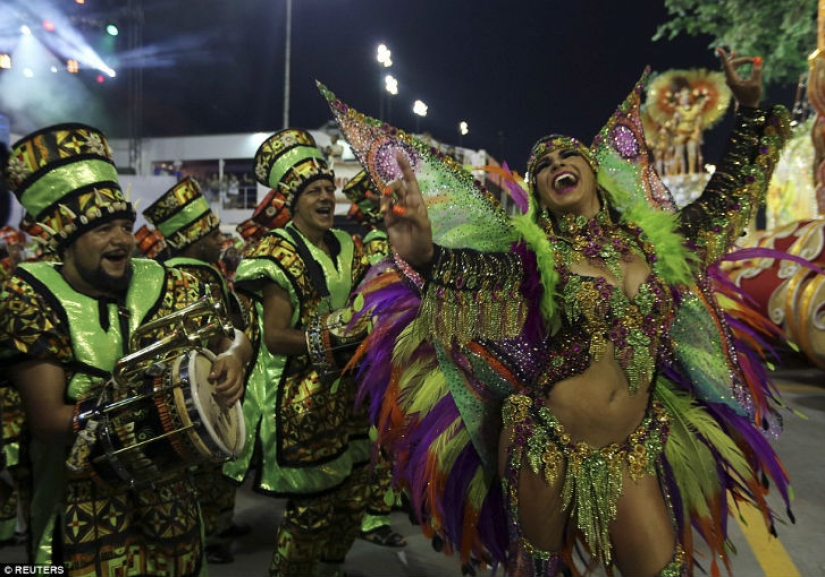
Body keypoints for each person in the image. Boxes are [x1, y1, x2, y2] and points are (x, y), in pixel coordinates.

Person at [324, 49, 794, 576]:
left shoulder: (661, 247)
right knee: (537, 571)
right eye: (542, 166)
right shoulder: (535, 258)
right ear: (539, 194)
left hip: (632, 448)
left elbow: (729, 196)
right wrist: (426, 256)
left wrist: (750, 108)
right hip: (544, 440)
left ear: (594, 173)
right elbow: (478, 276)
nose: (555, 166)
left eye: (567, 157)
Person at [0, 122, 252, 576]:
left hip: (172, 498)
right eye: (100, 229)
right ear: (65, 240)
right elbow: (48, 421)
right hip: (80, 504)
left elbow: (233, 335)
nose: (120, 239)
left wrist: (233, 357)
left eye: (124, 225)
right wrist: (151, 408)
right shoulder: (30, 294)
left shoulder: (166, 280)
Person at [222, 128, 373, 577]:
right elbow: (275, 336)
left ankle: (331, 569)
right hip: (304, 399)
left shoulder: (349, 245)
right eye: (315, 191)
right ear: (293, 199)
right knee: (313, 509)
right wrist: (334, 334)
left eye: (330, 188)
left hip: (353, 392)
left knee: (353, 498)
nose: (327, 197)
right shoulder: (275, 251)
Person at [142, 176, 251, 564]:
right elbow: (229, 330)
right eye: (212, 233)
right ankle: (215, 534)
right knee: (211, 468)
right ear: (193, 239)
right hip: (206, 382)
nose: (220, 240)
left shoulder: (157, 272)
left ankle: (215, 528)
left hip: (178, 387)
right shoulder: (202, 276)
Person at [341, 171, 406, 549]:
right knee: (383, 436)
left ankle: (383, 504)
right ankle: (374, 515)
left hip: (391, 352)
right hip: (385, 354)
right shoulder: (378, 247)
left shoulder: (376, 244)